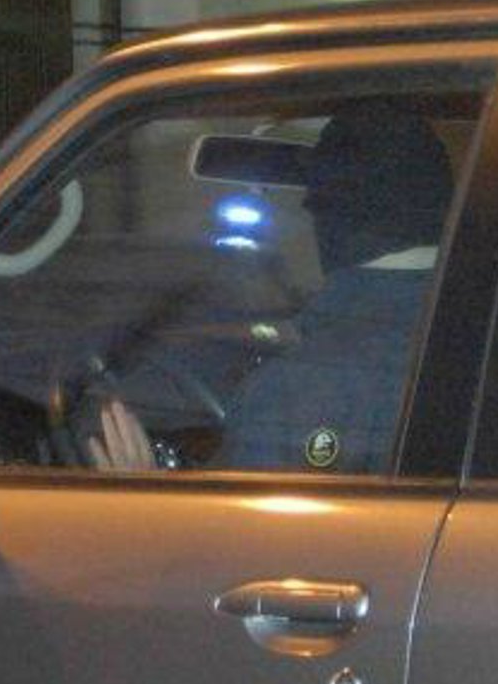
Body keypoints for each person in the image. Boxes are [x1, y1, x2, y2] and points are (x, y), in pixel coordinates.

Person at [89, 100, 456, 474]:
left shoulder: (303, 386)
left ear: (330, 219)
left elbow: (243, 513)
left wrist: (145, 494)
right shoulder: (477, 334)